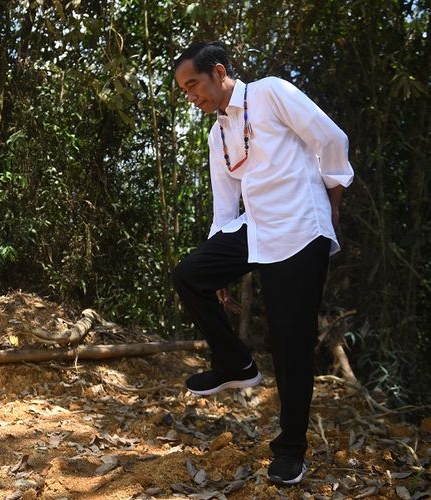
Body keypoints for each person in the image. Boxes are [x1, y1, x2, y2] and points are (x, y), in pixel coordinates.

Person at [171, 41, 353, 485]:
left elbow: (332, 139)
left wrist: (331, 205)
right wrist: (220, 272)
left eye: (193, 84)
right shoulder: (218, 135)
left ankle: (291, 451)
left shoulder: (270, 93)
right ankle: (235, 363)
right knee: (189, 275)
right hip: (256, 230)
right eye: (184, 90)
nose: (190, 95)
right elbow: (223, 207)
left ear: (217, 72)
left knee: (291, 344)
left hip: (300, 228)